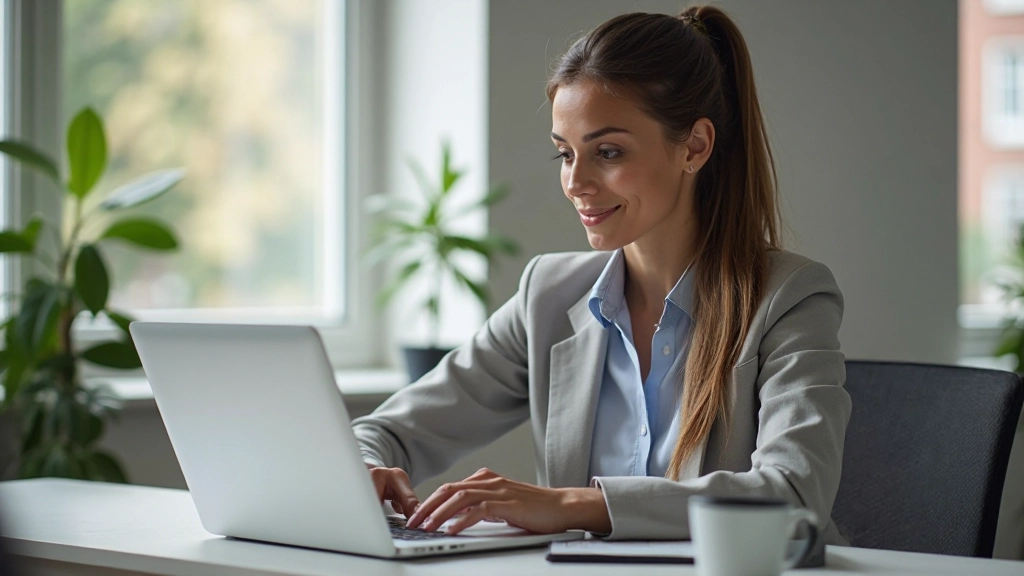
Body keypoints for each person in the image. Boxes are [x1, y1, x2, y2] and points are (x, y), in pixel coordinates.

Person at [353, 5, 851, 544]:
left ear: (695, 146)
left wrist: (571, 504)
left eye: (607, 152)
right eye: (564, 154)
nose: (576, 182)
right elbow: (385, 431)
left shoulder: (788, 299)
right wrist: (365, 467)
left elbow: (793, 493)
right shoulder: (548, 295)